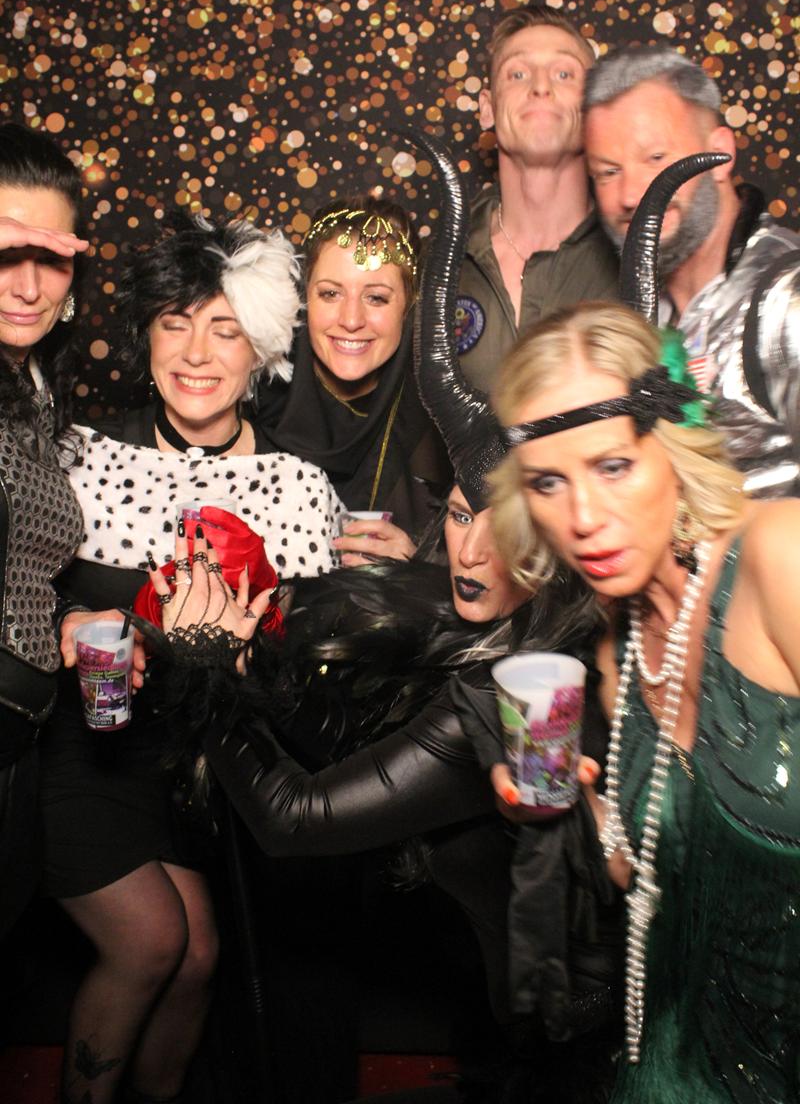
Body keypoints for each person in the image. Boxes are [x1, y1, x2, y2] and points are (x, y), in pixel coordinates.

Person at [144, 136, 623, 1104]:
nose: (473, 550)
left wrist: (206, 667)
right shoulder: (259, 415)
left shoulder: (509, 676)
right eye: (459, 519)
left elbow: (303, 815)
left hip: (559, 1024)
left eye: (377, 296)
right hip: (451, 941)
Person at [42, 210, 342, 1104]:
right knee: (150, 943)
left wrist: (246, 660)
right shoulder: (82, 457)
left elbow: (314, 692)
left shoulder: (298, 488)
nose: (198, 353)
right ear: (147, 337)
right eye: (176, 324)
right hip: (88, 751)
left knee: (198, 954)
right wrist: (68, 620)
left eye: (225, 329)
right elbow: (24, 594)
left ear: (262, 351)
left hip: (201, 775)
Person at [489, 297, 800, 1102]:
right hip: (678, 1054)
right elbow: (644, 874)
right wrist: (571, 807)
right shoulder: (615, 652)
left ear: (674, 447)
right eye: (549, 482)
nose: (584, 518)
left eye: (613, 466)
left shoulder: (780, 559)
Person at [584, 44, 800, 497]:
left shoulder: (787, 297)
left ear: (720, 153)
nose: (631, 195)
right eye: (608, 172)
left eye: (655, 159)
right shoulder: (632, 318)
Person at [0, 122, 89, 939]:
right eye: (5, 252)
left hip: (19, 751)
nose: (28, 286)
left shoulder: (34, 387)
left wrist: (66, 618)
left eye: (51, 258)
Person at [257, 195, 451, 563]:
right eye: (330, 293)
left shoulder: (439, 420)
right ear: (305, 297)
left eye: (376, 298)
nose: (350, 320)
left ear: (408, 306)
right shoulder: (254, 395)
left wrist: (418, 570)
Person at [456, 4, 618, 394]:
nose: (541, 87)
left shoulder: (639, 256)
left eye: (564, 74)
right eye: (518, 74)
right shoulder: (438, 262)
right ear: (487, 108)